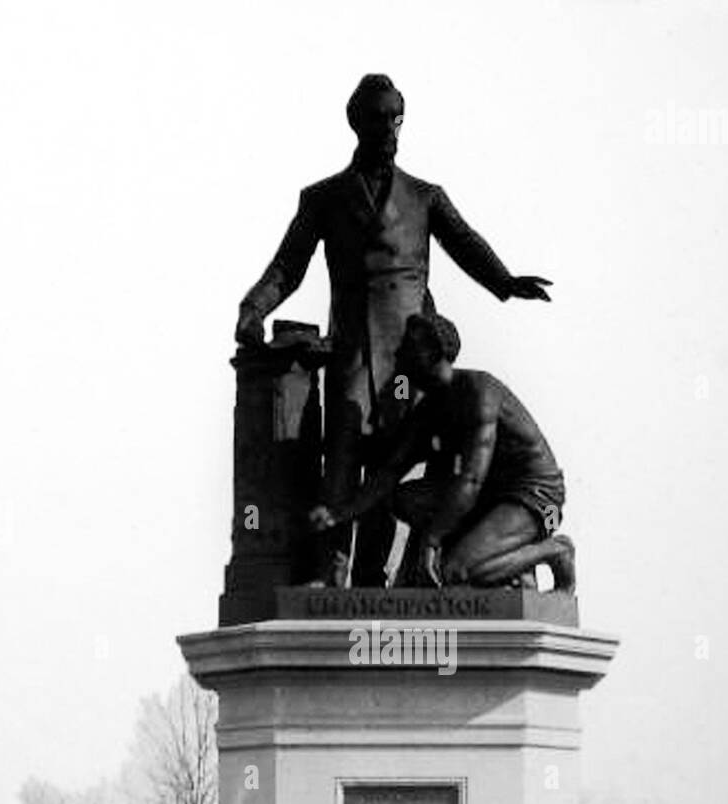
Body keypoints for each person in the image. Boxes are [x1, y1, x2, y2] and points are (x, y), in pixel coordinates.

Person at [236, 74, 552, 586]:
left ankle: (369, 581)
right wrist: (252, 309)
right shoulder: (324, 198)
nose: (389, 128)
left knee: (391, 466)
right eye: (379, 118)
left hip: (408, 361)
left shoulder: (425, 197)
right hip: (353, 354)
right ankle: (329, 576)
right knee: (340, 462)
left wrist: (505, 281)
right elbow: (287, 265)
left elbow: (465, 241)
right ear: (356, 123)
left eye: (396, 118)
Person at [310, 313, 575, 592]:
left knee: (457, 570)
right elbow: (389, 474)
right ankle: (498, 556)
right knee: (403, 500)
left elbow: (471, 480)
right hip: (487, 496)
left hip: (533, 496)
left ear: (432, 351)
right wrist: (338, 514)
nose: (398, 353)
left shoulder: (478, 391)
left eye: (408, 347)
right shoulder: (429, 409)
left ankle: (556, 551)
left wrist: (432, 540)